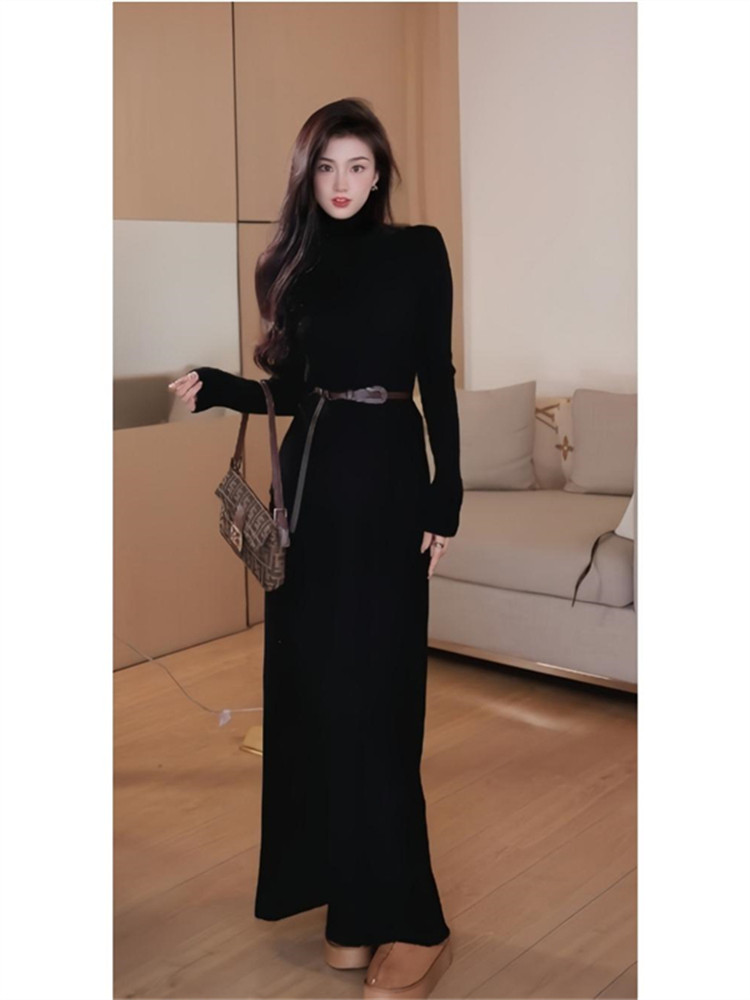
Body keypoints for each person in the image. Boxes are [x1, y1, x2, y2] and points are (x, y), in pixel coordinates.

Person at [168, 97, 462, 999]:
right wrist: (222, 385)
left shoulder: (419, 251)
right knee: (318, 698)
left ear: (380, 174)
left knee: (380, 701)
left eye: (358, 166)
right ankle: (350, 904)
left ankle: (415, 920)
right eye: (327, 167)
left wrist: (446, 493)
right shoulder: (293, 263)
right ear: (309, 174)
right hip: (306, 493)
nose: (342, 183)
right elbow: (296, 390)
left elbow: (436, 376)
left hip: (387, 486)